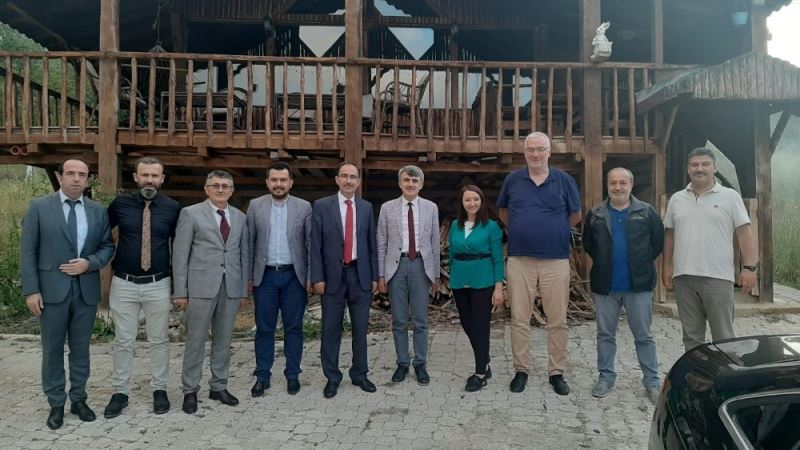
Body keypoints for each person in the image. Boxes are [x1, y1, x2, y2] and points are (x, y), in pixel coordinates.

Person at [20, 158, 115, 430]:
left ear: (87, 179)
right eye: (71, 173)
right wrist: (31, 290)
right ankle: (56, 403)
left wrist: (90, 263)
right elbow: (28, 251)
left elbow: (107, 246)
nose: (76, 178)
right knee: (52, 349)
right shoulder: (39, 207)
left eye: (81, 174)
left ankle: (79, 399)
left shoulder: (97, 211)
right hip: (51, 292)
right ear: (60, 177)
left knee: (81, 349)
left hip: (85, 291)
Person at [497, 131, 581, 395]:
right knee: (519, 318)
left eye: (540, 149)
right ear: (524, 153)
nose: (535, 154)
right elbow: (504, 212)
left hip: (555, 260)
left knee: (557, 319)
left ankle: (556, 372)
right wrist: (523, 229)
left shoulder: (564, 180)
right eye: (531, 150)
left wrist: (553, 230)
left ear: (549, 152)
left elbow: (575, 215)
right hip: (520, 259)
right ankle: (521, 370)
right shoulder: (513, 180)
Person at [103, 156, 181, 419]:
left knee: (159, 340)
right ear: (136, 177)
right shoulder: (120, 204)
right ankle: (120, 392)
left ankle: (160, 389)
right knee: (123, 340)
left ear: (162, 179)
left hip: (158, 283)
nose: (149, 180)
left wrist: (179, 285)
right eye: (145, 175)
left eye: (154, 175)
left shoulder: (172, 208)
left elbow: (180, 246)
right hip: (124, 283)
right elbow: (101, 233)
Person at [663, 147, 757, 351]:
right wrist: (667, 266)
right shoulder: (677, 199)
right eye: (694, 165)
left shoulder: (730, 197)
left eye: (705, 164)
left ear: (714, 167)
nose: (700, 168)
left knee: (723, 337)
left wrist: (750, 268)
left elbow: (744, 233)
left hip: (718, 277)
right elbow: (669, 234)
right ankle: (696, 372)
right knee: (691, 338)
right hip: (684, 277)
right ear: (688, 169)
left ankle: (725, 372)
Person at [172, 170, 250, 414]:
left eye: (225, 186)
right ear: (206, 189)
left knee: (224, 340)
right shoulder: (190, 214)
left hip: (230, 287)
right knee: (195, 341)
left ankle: (219, 386)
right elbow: (180, 255)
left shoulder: (240, 217)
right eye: (215, 185)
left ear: (232, 190)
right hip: (199, 287)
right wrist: (180, 292)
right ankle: (190, 390)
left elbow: (243, 254)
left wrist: (242, 289)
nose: (220, 189)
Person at [582, 168, 663, 403]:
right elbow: (589, 245)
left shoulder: (646, 212)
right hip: (606, 285)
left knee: (643, 335)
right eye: (613, 183)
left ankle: (652, 381)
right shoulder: (596, 214)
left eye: (622, 183)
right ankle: (606, 377)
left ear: (631, 185)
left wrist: (639, 265)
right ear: (607, 185)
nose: (617, 187)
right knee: (605, 334)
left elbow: (657, 244)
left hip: (638, 285)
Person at [310, 162, 378, 399]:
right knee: (330, 330)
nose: (349, 181)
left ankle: (359, 374)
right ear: (337, 179)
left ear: (358, 181)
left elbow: (371, 245)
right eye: (345, 176)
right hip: (332, 278)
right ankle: (332, 377)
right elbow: (315, 245)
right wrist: (317, 276)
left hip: (360, 276)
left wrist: (374, 276)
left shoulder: (366, 207)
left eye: (353, 177)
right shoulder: (321, 206)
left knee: (360, 329)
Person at [247, 161, 312, 397]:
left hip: (294, 276)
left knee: (294, 328)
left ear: (290, 183)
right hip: (265, 277)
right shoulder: (255, 206)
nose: (278, 184)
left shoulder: (304, 207)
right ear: (267, 182)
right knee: (264, 328)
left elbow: (309, 244)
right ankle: (262, 375)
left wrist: (310, 276)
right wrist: (249, 277)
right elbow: (249, 242)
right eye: (274, 180)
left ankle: (292, 374)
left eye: (283, 180)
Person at [377, 165, 440, 385]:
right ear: (400, 183)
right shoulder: (387, 208)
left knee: (421, 320)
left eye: (414, 181)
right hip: (396, 267)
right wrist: (381, 275)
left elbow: (434, 242)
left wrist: (436, 275)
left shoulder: (431, 208)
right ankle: (402, 363)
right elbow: (381, 242)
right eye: (406, 180)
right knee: (399, 320)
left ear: (420, 184)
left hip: (421, 266)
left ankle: (420, 363)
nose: (410, 184)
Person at [448, 185, 504, 392]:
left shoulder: (491, 227)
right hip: (459, 280)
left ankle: (480, 372)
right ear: (462, 203)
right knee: (466, 322)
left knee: (480, 326)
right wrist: (453, 275)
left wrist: (498, 287)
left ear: (481, 201)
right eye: (467, 200)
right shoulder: (455, 225)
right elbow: (451, 254)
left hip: (483, 279)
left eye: (476, 199)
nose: (472, 203)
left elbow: (498, 258)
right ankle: (485, 360)